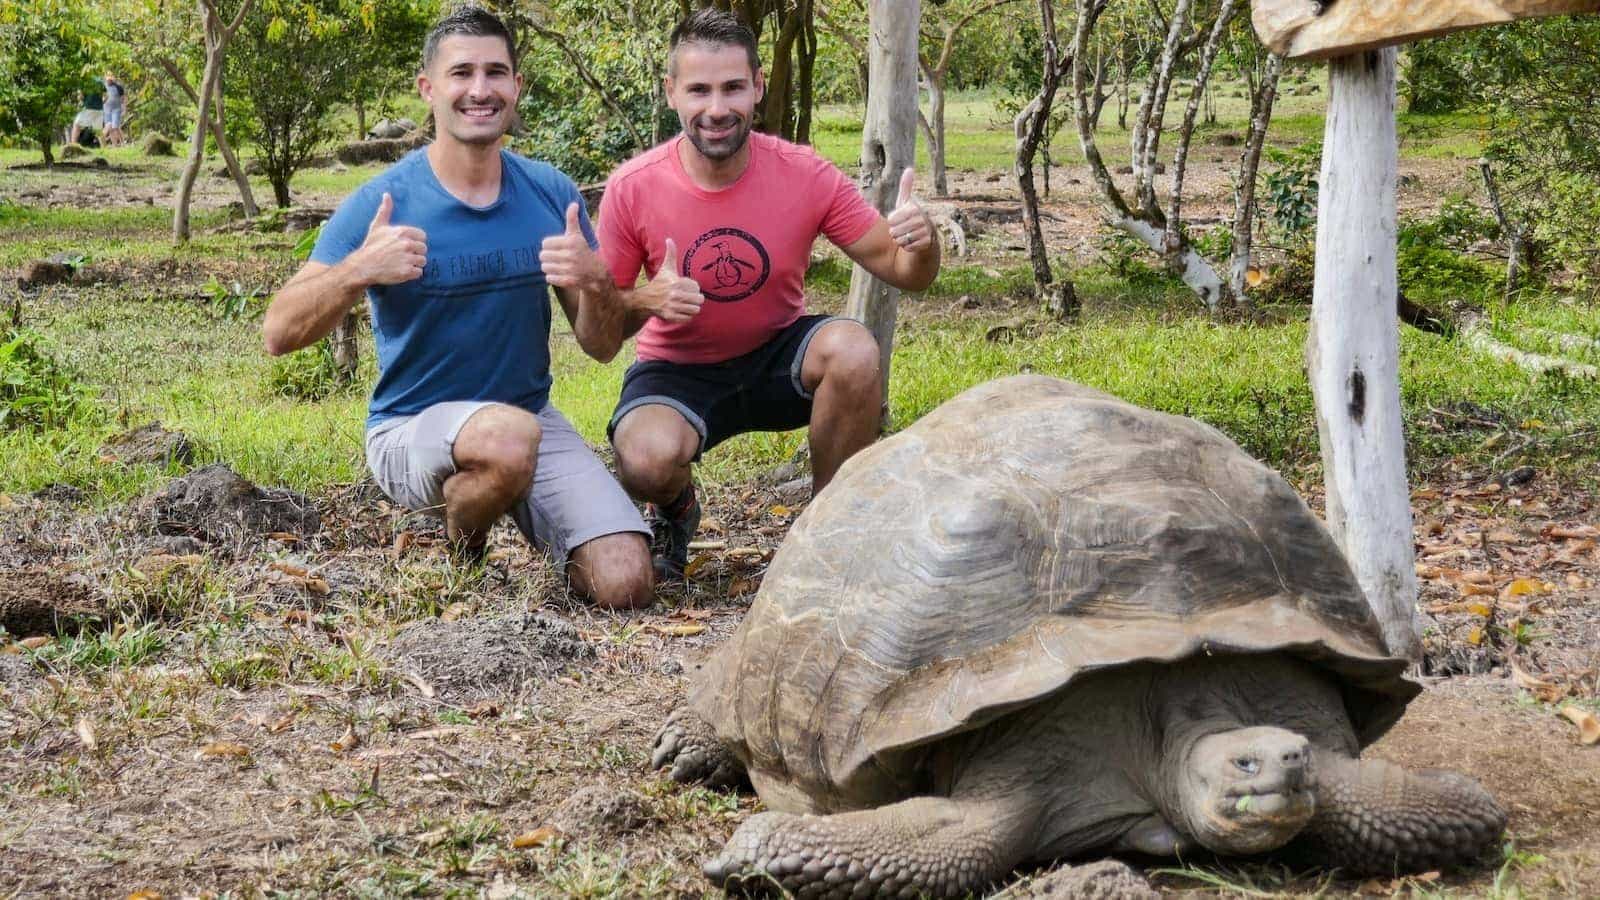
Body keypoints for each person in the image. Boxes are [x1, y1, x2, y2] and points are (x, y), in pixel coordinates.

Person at [261, 6, 653, 609]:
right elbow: (278, 332)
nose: (480, 89)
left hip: (527, 422)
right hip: (409, 429)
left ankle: (514, 500)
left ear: (516, 87)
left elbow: (600, 346)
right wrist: (359, 270)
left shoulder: (550, 193)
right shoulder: (385, 199)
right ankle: (462, 547)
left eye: (496, 73)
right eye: (461, 73)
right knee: (506, 438)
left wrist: (598, 282)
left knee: (624, 580)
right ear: (429, 89)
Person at [596, 9, 941, 581]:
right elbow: (601, 336)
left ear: (757, 86)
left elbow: (904, 269)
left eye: (733, 87)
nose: (716, 108)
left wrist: (922, 242)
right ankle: (676, 511)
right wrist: (645, 299)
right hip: (677, 369)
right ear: (671, 94)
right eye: (699, 89)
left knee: (853, 349)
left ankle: (827, 533)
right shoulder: (632, 188)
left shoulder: (804, 173)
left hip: (777, 354)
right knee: (644, 459)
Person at [68, 81, 104, 146]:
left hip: (88, 108)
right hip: (99, 109)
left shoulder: (84, 81)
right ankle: (104, 148)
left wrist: (80, 98)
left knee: (76, 125)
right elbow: (106, 96)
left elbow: (80, 97)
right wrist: (101, 104)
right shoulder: (100, 82)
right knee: (98, 130)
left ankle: (73, 146)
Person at [102, 74, 127, 147]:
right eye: (107, 79)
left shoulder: (118, 87)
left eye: (110, 79)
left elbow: (123, 98)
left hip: (116, 109)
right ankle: (114, 145)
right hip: (106, 109)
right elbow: (102, 97)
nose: (109, 81)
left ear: (113, 79)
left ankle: (123, 142)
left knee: (115, 126)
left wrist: (124, 108)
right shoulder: (103, 86)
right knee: (110, 128)